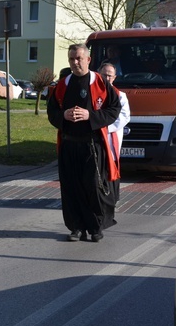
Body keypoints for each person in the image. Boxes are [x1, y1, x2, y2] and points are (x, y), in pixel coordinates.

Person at [47, 44, 121, 243]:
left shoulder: (101, 83)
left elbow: (114, 109)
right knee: (71, 188)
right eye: (71, 59)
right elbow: (51, 112)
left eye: (79, 58)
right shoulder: (62, 85)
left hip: (93, 145)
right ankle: (76, 227)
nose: (75, 62)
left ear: (88, 60)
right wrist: (63, 115)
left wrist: (91, 116)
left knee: (93, 186)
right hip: (69, 145)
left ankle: (95, 226)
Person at [99, 62, 131, 209]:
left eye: (109, 76)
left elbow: (124, 117)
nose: (106, 78)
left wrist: (105, 128)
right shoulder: (92, 92)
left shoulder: (120, 96)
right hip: (95, 136)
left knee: (110, 165)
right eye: (104, 75)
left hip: (111, 136)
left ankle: (112, 196)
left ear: (114, 77)